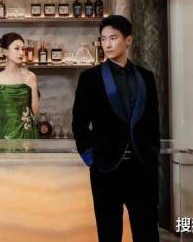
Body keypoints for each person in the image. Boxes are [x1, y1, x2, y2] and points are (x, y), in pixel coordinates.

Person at [72, 15, 160, 242]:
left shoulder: (146, 77)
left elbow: (153, 121)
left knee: (148, 233)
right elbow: (79, 122)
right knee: (109, 233)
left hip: (142, 168)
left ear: (128, 40)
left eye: (113, 38)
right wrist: (90, 157)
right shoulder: (90, 78)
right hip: (106, 168)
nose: (107, 44)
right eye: (103, 39)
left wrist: (153, 155)